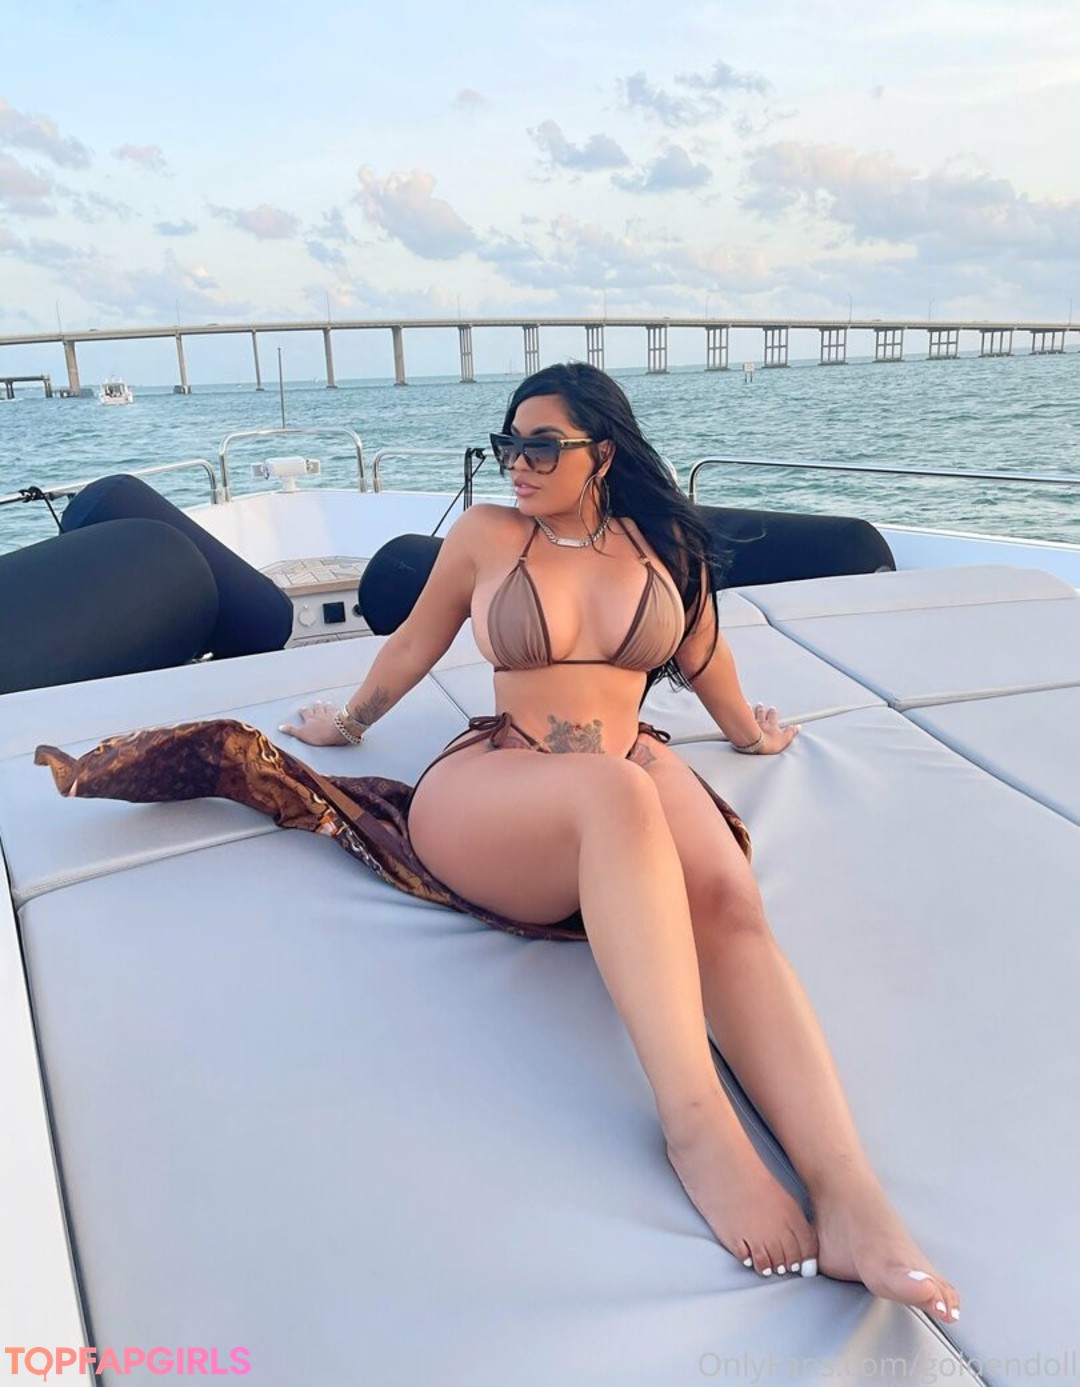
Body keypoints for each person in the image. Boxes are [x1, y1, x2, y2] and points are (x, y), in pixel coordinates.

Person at [276, 363, 960, 1323]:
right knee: (618, 791)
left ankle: (850, 1193)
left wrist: (752, 734)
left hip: (625, 770)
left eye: (540, 445)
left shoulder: (664, 544)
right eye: (507, 444)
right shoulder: (487, 537)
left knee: (728, 904)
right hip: (498, 784)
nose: (517, 463)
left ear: (602, 452)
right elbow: (413, 645)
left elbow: (706, 658)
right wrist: (346, 722)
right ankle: (698, 1125)